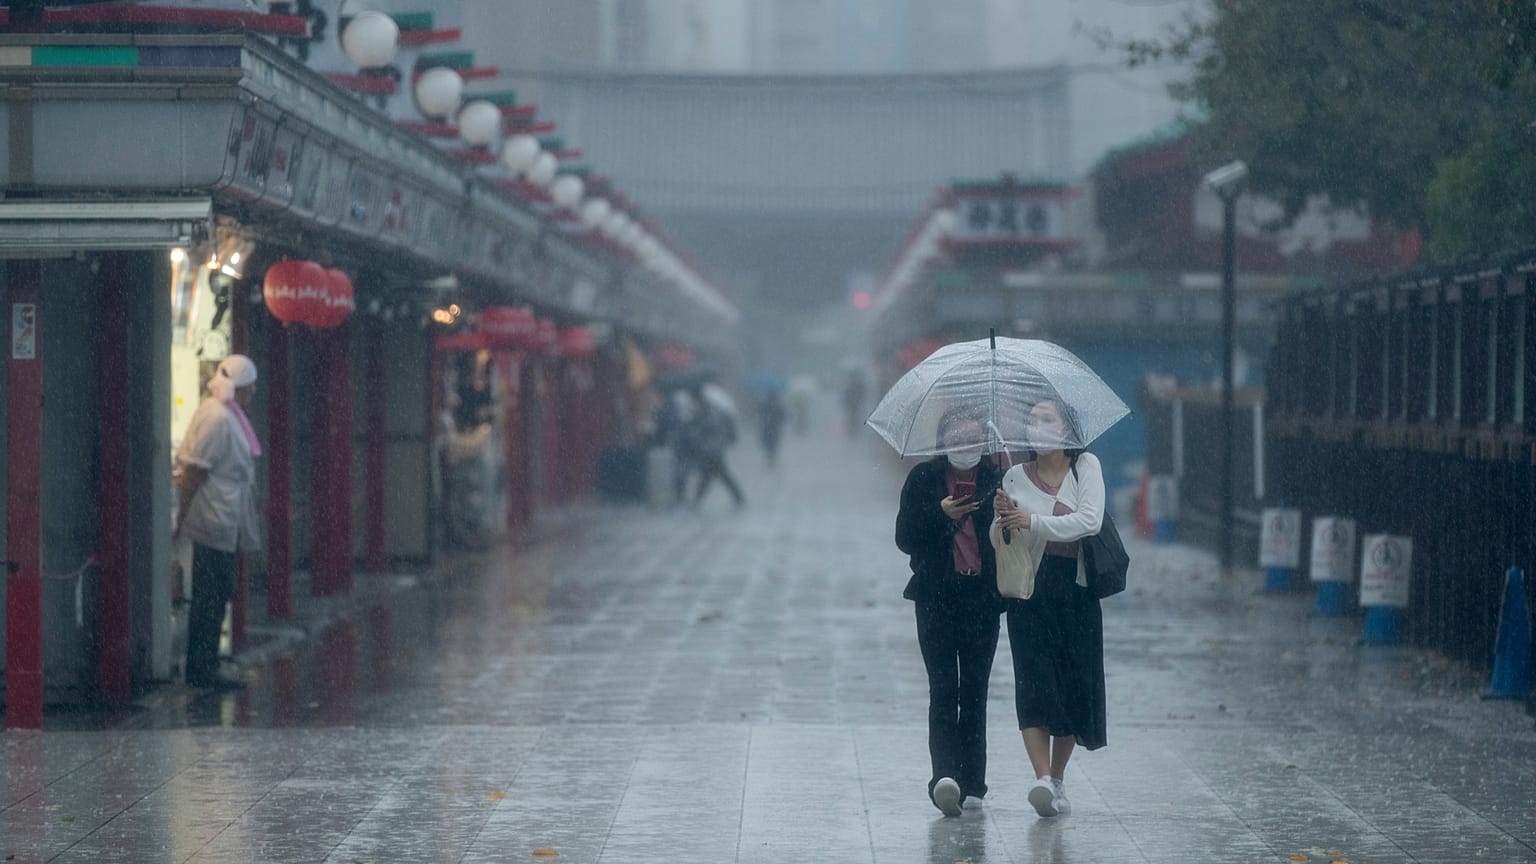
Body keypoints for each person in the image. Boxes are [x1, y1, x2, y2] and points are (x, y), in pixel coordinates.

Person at [990, 397, 1108, 818]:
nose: (1038, 427)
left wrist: (1033, 521)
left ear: (1066, 429)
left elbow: (1089, 521)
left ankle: (1057, 777)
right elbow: (1004, 538)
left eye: (1047, 419)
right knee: (1034, 684)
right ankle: (1041, 779)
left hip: (1075, 594)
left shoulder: (1086, 467)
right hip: (1030, 594)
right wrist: (1002, 516)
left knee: (1073, 688)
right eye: (1033, 420)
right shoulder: (1014, 476)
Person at [894, 406, 1003, 817]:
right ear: (943, 443)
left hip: (982, 599)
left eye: (973, 439)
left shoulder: (996, 479)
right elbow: (905, 537)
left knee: (975, 691)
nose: (965, 447)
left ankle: (974, 781)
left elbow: (1009, 540)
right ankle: (944, 777)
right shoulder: (923, 479)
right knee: (943, 690)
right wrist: (941, 514)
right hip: (936, 597)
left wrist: (1007, 512)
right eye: (957, 439)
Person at [174, 355, 262, 690]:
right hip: (213, 514)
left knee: (218, 591)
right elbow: (196, 470)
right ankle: (202, 667)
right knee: (210, 594)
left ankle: (206, 662)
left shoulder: (226, 414)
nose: (252, 392)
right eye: (249, 386)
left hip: (223, 513)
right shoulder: (217, 418)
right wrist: (183, 515)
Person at [691, 382, 745, 509]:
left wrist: (697, 421)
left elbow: (711, 428)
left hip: (713, 450)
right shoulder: (703, 411)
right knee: (715, 475)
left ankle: (697, 501)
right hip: (711, 450)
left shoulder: (710, 412)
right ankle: (739, 498)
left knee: (715, 475)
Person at [757, 387, 787, 467]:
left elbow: (760, 414)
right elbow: (783, 416)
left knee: (767, 442)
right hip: (775, 428)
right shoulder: (778, 405)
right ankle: (772, 456)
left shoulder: (764, 403)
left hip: (766, 427)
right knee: (774, 442)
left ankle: (769, 456)